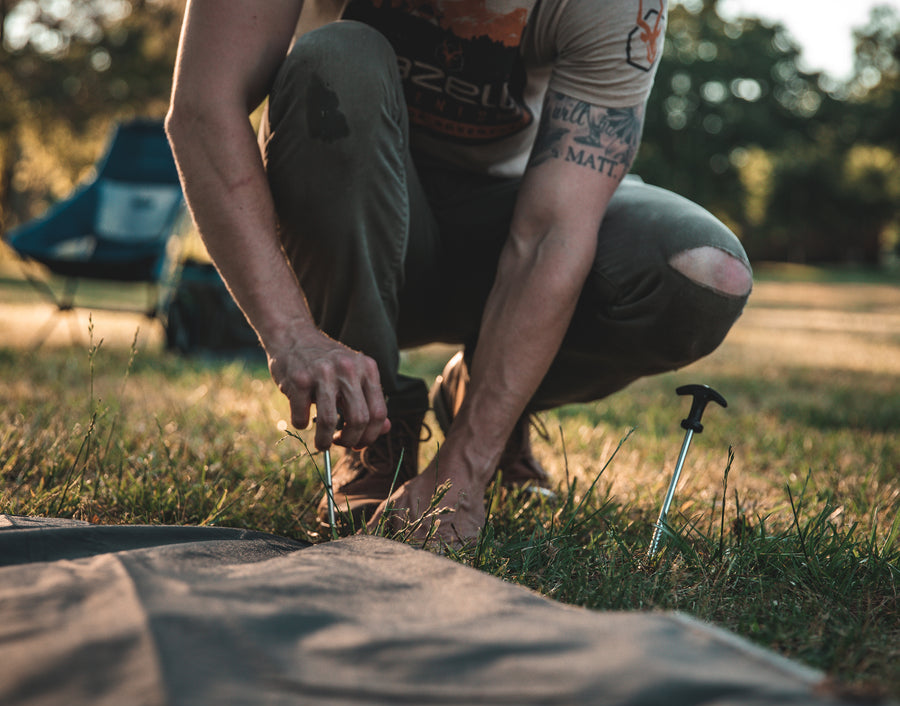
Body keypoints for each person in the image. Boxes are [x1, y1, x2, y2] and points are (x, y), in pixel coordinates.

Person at [166, 0, 752, 546]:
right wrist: (292, 335)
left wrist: (466, 465)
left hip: (512, 222)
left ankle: (481, 399)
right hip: (352, 210)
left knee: (703, 275)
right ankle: (376, 427)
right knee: (334, 59)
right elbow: (202, 110)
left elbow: (552, 233)